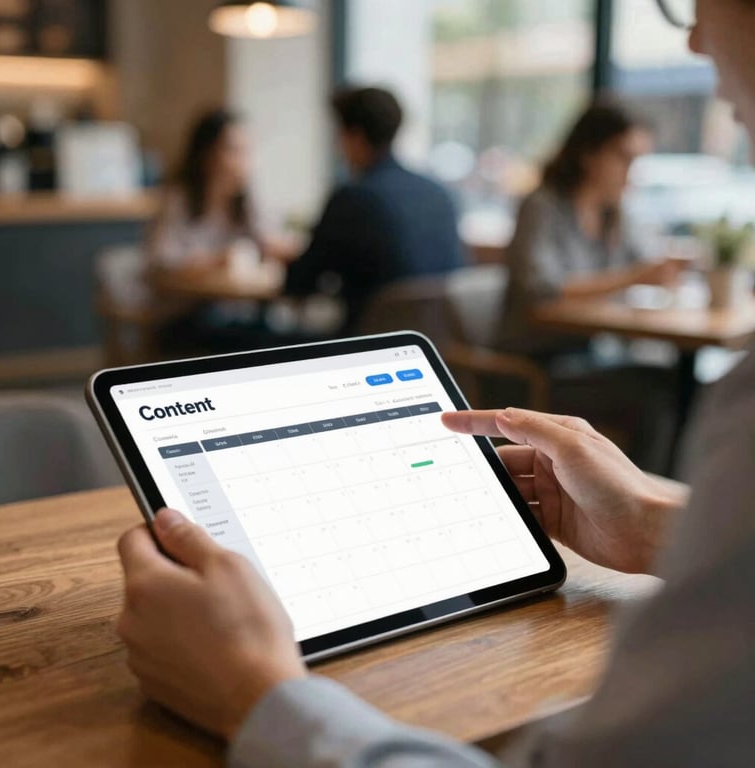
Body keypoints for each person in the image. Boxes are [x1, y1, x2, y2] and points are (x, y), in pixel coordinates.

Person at [117, 2, 754, 766]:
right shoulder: (435, 189)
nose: (688, 34)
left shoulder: (354, 195)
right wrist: (656, 524)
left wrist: (254, 693)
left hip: (350, 343)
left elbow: (303, 277)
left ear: (351, 136)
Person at [501, 101, 681, 356]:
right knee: (656, 379)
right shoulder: (541, 206)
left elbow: (646, 263)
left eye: (637, 161)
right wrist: (634, 277)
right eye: (623, 158)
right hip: (544, 357)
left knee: (662, 366)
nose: (631, 173)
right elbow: (542, 290)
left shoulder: (614, 213)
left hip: (596, 347)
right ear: (588, 153)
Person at [283, 86, 464, 332]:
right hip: (437, 344)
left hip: (367, 346)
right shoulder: (439, 192)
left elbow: (300, 283)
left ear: (355, 136)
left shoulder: (354, 197)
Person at [148, 108, 271, 352]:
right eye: (233, 150)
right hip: (184, 314)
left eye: (245, 151)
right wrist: (218, 260)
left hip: (236, 310)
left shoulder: (244, 200)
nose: (242, 160)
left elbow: (266, 243)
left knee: (267, 333)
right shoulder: (179, 199)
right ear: (206, 153)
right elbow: (162, 262)